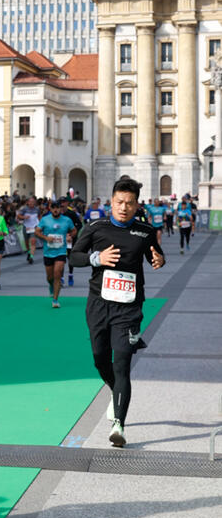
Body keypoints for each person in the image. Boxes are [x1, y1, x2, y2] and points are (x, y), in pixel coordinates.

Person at [68, 175, 164, 448]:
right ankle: (115, 393)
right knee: (100, 359)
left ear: (136, 205)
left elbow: (156, 254)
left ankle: (118, 424)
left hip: (130, 307)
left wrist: (160, 259)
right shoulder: (96, 227)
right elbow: (74, 256)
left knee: (121, 362)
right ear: (112, 201)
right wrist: (96, 258)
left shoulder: (144, 231)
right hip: (99, 304)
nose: (124, 207)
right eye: (119, 202)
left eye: (130, 203)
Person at [32, 200, 78, 308]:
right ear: (50, 209)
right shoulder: (45, 220)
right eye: (53, 208)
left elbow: (74, 230)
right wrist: (45, 238)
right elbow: (37, 232)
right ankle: (51, 286)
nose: (56, 210)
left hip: (61, 251)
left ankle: (55, 300)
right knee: (50, 277)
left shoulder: (67, 220)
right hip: (48, 252)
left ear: (60, 209)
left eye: (58, 208)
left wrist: (69, 236)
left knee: (57, 274)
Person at [18, 196, 40, 264]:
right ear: (27, 202)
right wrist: (24, 217)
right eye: (30, 202)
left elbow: (39, 216)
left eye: (33, 202)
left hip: (34, 227)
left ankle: (31, 256)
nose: (31, 203)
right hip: (26, 227)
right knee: (27, 242)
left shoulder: (37, 209)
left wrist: (39, 224)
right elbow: (18, 216)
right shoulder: (24, 209)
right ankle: (28, 252)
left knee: (33, 241)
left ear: (35, 203)